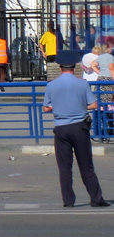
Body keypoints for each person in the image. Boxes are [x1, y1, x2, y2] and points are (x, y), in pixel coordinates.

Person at [41, 51, 110, 208]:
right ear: (74, 67)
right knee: (86, 166)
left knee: (65, 167)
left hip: (61, 128)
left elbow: (46, 108)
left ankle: (68, 201)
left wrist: (57, 106)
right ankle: (96, 198)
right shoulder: (82, 84)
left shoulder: (51, 85)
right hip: (79, 127)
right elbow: (93, 105)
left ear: (60, 67)